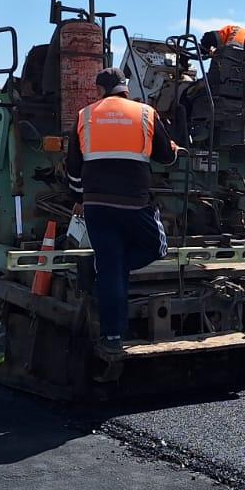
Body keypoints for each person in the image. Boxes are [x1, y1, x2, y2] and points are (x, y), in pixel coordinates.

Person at [65, 67, 178, 357]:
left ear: (101, 91)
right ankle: (110, 270)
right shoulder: (145, 113)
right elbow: (166, 157)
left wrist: (79, 197)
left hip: (96, 206)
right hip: (133, 204)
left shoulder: (85, 115)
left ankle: (112, 337)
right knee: (156, 247)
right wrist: (174, 148)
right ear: (125, 88)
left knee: (111, 269)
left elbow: (73, 168)